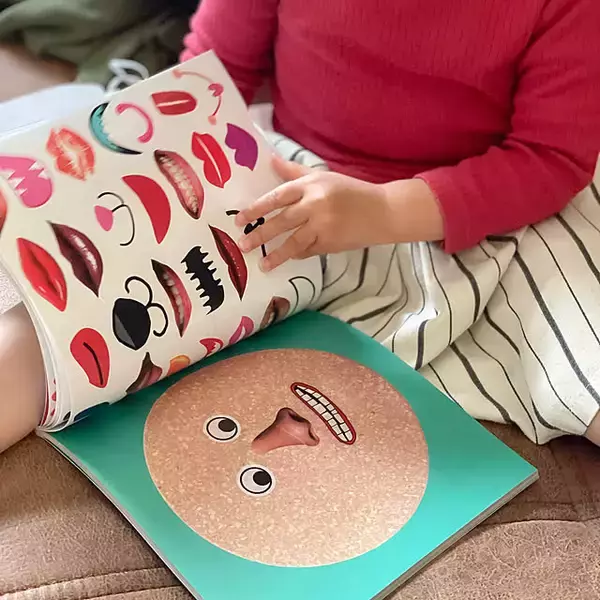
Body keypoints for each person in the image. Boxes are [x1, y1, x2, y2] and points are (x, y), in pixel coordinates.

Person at [1, 0, 600, 452]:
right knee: (56, 329)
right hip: (287, 177)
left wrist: (388, 210)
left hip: (479, 211)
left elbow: (550, 158)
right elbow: (212, 74)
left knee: (579, 334)